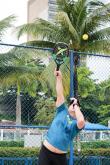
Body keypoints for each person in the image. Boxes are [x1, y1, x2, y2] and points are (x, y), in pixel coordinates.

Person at [38, 69, 85, 165]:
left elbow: (81, 121)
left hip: (60, 157)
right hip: (46, 151)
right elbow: (59, 93)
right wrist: (59, 78)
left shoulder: (75, 125)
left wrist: (76, 105)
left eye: (76, 105)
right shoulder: (62, 110)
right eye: (71, 104)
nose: (73, 105)